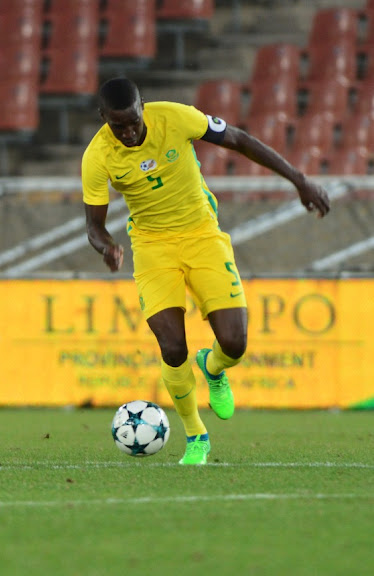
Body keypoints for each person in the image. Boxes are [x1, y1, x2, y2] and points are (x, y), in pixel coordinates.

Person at [82, 77, 330, 465]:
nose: (129, 132)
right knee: (172, 347)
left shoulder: (177, 118)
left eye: (133, 121)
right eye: (119, 126)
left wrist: (299, 180)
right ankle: (196, 434)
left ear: (142, 106)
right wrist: (107, 248)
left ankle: (212, 368)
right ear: (103, 118)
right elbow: (93, 225)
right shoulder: (97, 156)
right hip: (151, 246)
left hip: (202, 234)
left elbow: (240, 140)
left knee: (234, 343)